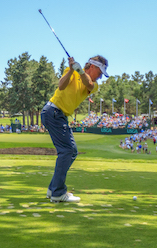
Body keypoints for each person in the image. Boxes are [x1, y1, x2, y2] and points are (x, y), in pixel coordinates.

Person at [41, 55, 107, 203]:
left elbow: (88, 85)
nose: (101, 76)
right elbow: (61, 86)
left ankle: (53, 189)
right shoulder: (71, 71)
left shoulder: (94, 84)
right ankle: (58, 192)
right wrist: (71, 70)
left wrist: (80, 72)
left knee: (71, 151)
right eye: (100, 72)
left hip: (59, 115)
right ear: (92, 66)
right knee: (67, 151)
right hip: (53, 111)